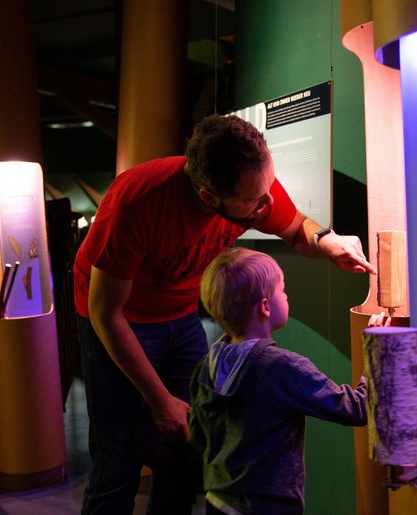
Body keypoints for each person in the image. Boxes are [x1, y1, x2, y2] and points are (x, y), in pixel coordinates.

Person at [73, 114, 377, 514]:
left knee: (185, 457)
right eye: (254, 201)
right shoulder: (137, 202)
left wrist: (327, 240)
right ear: (208, 197)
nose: (267, 205)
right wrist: (160, 399)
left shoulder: (252, 182)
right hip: (119, 323)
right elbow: (105, 312)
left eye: (268, 188)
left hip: (180, 317)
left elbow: (295, 227)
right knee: (117, 467)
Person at [190, 248, 387, 514]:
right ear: (266, 306)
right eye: (282, 289)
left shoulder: (205, 368)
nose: (287, 294)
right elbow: (357, 408)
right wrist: (376, 350)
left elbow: (197, 437)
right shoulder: (282, 367)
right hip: (268, 508)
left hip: (218, 502)